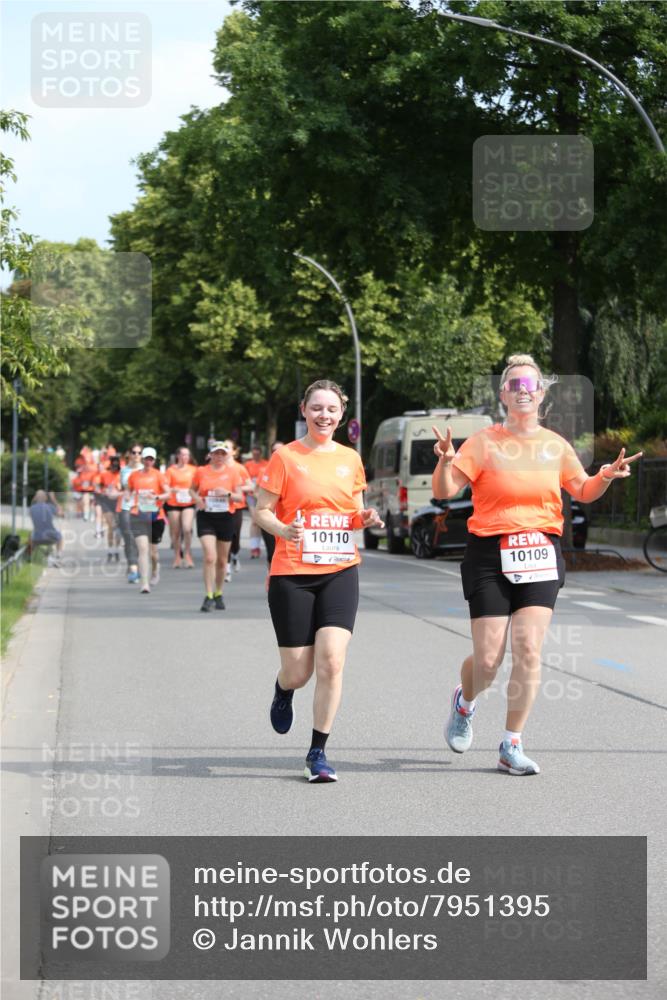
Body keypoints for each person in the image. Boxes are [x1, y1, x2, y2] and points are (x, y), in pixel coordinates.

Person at [434, 354, 642, 776]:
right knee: (488, 660)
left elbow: (581, 490)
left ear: (542, 394)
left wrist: (604, 476)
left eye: (530, 383)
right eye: (514, 384)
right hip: (489, 553)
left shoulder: (555, 445)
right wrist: (443, 459)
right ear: (503, 395)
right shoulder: (483, 443)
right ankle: (465, 701)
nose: (523, 389)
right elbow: (444, 491)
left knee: (528, 650)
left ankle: (511, 744)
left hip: (540, 552)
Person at [254, 380, 383, 783]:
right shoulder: (286, 457)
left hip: (340, 569)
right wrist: (282, 529)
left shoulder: (350, 459)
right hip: (292, 572)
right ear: (303, 411)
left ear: (342, 414)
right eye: (316, 408)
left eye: (331, 409)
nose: (324, 415)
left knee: (331, 659)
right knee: (299, 671)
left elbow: (354, 514)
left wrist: (367, 519)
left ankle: (318, 752)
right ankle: (283, 688)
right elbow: (260, 511)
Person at [191, 440, 245, 612]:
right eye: (216, 453)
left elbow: (239, 497)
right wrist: (197, 499)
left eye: (223, 453)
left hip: (225, 517)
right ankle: (208, 595)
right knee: (209, 557)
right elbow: (191, 490)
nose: (220, 456)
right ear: (211, 455)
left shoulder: (233, 473)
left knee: (222, 561)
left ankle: (218, 592)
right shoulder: (201, 471)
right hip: (206, 516)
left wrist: (227, 493)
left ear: (226, 455)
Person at [127, 447, 170, 594]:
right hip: (138, 515)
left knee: (153, 553)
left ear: (154, 460)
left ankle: (155, 569)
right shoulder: (134, 476)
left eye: (151, 459)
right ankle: (144, 583)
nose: (148, 461)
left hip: (155, 516)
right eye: (146, 458)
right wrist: (128, 496)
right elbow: (128, 490)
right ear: (143, 459)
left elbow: (168, 494)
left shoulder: (159, 475)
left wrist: (157, 497)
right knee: (143, 549)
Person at [164, 447, 197, 568]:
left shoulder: (194, 470)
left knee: (187, 529)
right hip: (174, 503)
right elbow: (165, 486)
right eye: (183, 455)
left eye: (187, 455)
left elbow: (199, 484)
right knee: (176, 531)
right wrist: (173, 489)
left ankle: (187, 554)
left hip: (189, 502)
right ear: (178, 456)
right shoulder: (171, 470)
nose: (185, 458)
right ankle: (177, 556)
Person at [118, 444, 142, 583]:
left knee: (141, 540)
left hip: (143, 508)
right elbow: (125, 488)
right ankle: (133, 567)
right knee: (129, 538)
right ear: (130, 454)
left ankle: (137, 564)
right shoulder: (124, 470)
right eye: (134, 452)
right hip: (127, 507)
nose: (137, 455)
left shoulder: (146, 470)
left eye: (139, 453)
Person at [244, 445, 269, 559]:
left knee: (262, 522)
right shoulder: (247, 465)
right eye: (254, 454)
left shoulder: (266, 464)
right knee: (255, 521)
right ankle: (254, 548)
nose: (256, 455)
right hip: (251, 495)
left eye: (258, 453)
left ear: (261, 453)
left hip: (263, 494)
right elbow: (244, 480)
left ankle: (265, 545)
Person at [97, 455, 122, 562]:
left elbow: (126, 488)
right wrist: (103, 491)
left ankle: (116, 550)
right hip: (107, 502)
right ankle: (110, 549)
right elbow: (98, 486)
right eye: (113, 464)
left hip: (118, 502)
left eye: (117, 464)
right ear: (110, 464)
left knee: (117, 527)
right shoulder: (104, 474)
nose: (115, 466)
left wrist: (119, 492)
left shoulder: (121, 475)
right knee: (111, 526)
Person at [29, 490, 64, 564]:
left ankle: (29, 557)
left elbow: (32, 503)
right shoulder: (50, 507)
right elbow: (61, 514)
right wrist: (53, 500)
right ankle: (58, 555)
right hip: (51, 536)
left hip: (36, 538)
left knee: (30, 536)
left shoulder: (31, 509)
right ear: (45, 498)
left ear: (35, 498)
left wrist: (34, 499)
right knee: (60, 536)